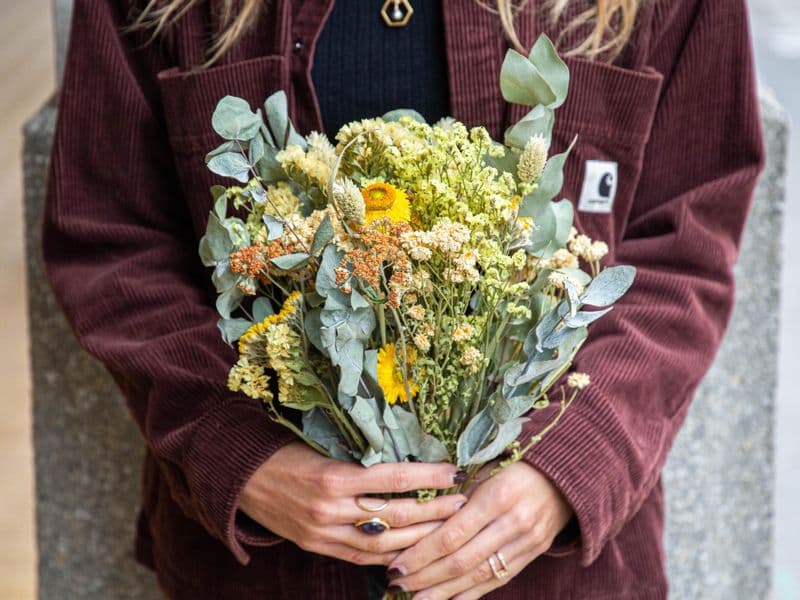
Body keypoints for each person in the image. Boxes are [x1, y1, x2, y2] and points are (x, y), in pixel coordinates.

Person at [43, 0, 765, 598]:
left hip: (553, 575)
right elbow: (113, 238)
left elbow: (686, 246)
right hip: (266, 573)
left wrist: (570, 464)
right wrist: (240, 452)